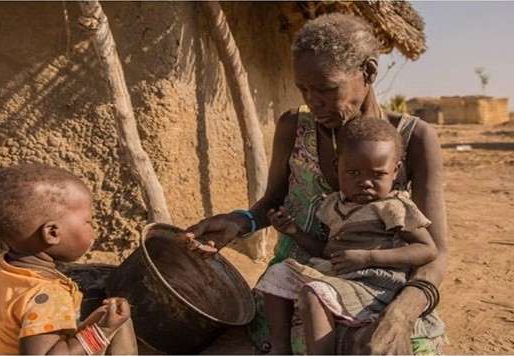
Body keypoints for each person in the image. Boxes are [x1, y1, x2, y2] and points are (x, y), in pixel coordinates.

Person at [185, 12, 447, 355]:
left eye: (326, 88)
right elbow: (272, 202)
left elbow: (435, 252)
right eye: (304, 89)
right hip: (297, 285)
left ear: (367, 71)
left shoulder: (413, 138)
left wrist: (400, 314)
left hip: (378, 289)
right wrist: (241, 222)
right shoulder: (294, 126)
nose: (314, 100)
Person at [255, 116, 442, 354]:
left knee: (313, 293)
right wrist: (294, 232)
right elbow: (327, 252)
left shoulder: (393, 207)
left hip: (375, 285)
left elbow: (427, 249)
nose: (365, 182)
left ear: (395, 171)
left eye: (377, 175)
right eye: (353, 172)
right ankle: (279, 346)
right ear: (336, 167)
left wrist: (368, 257)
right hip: (338, 276)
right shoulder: (334, 205)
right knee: (277, 273)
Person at [0, 163, 138, 355]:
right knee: (113, 323)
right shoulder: (49, 295)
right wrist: (101, 331)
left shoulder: (6, 267)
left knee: (113, 316)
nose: (93, 225)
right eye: (87, 221)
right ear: (52, 233)